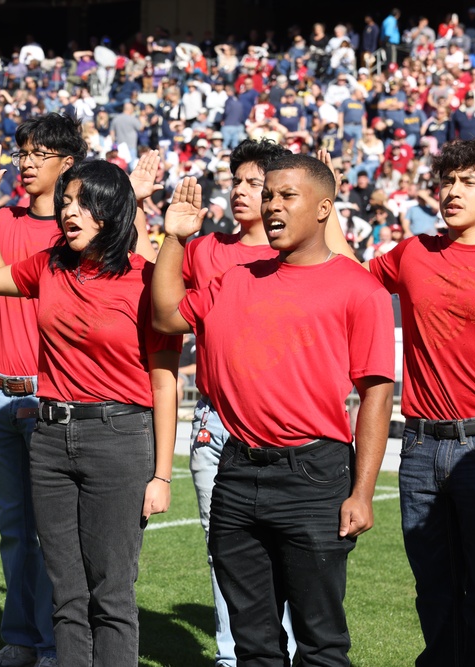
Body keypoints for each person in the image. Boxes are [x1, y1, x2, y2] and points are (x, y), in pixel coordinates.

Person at [152, 155, 395, 665]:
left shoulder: (360, 288)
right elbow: (168, 315)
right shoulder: (234, 278)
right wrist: (172, 239)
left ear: (324, 208)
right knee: (253, 643)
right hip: (236, 472)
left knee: (321, 643)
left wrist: (363, 492)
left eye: (287, 195)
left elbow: (376, 394)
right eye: (269, 195)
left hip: (314, 476)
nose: (272, 205)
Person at [0, 112, 153, 667]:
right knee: (18, 532)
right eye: (21, 152)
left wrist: (142, 206)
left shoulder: (79, 237)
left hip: (62, 401)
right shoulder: (9, 225)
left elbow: (146, 278)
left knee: (82, 555)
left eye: (37, 153)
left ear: (67, 164)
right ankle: (25, 642)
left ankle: (60, 647)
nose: (25, 162)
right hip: (2, 393)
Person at [329, 140, 475, 666]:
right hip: (421, 445)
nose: (452, 191)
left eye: (468, 182)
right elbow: (348, 270)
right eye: (446, 181)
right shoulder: (413, 252)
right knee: (433, 587)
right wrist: (326, 204)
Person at [0, 143, 180, 666]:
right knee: (67, 595)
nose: (68, 211)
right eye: (66, 200)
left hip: (119, 439)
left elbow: (164, 382)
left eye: (83, 203)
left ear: (112, 213)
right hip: (48, 440)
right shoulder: (48, 266)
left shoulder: (147, 277)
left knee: (111, 595)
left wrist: (162, 476)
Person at [180, 139, 300, 666]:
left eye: (255, 183)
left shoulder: (296, 253)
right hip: (215, 420)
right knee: (223, 553)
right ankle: (233, 658)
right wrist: (148, 216)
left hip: (283, 422)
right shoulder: (205, 250)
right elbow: (149, 287)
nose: (242, 192)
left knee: (291, 552)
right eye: (238, 182)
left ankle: (290, 653)